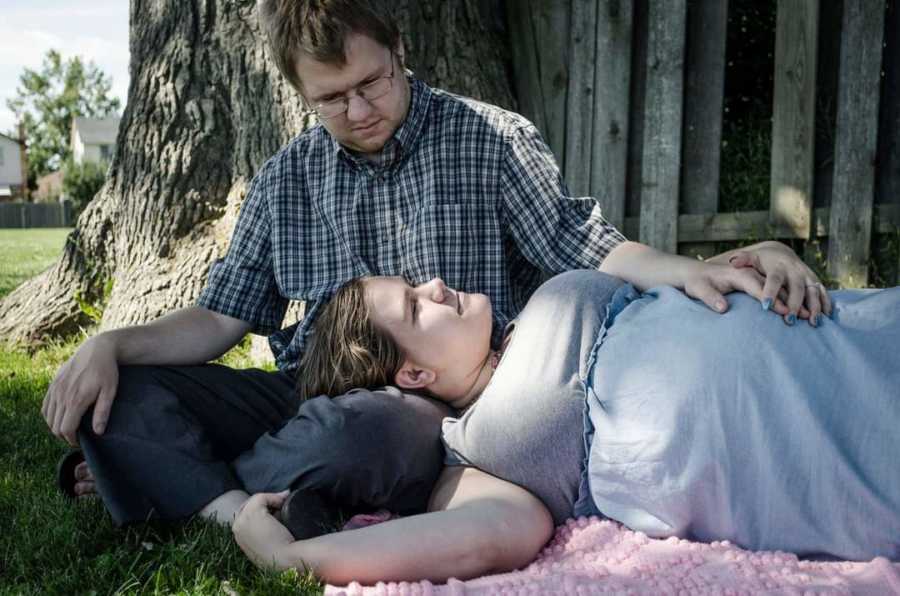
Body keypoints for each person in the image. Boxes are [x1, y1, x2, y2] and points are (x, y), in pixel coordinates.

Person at [43, 0, 828, 532]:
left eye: (372, 81)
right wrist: (110, 345)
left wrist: (691, 271)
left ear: (399, 52)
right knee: (127, 391)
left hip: (421, 404)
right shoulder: (285, 179)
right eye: (331, 99)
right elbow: (220, 319)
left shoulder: (489, 139)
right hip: (300, 391)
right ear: (300, 94)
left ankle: (171, 479)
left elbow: (582, 244)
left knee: (365, 436)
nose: (358, 111)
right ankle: (232, 504)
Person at [233, 266, 900, 585]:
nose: (435, 284)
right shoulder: (473, 459)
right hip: (814, 443)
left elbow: (650, 270)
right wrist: (289, 558)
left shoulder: (524, 319)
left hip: (831, 338)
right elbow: (482, 544)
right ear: (411, 377)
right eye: (414, 305)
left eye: (416, 282)